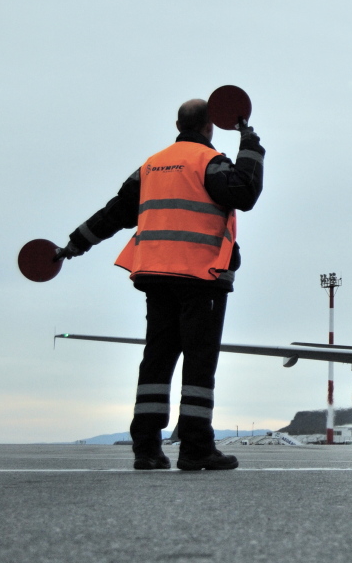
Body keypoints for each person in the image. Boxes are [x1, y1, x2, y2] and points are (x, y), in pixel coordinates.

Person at [56, 98, 264, 471]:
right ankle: (196, 447)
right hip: (201, 276)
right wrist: (250, 143)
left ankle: (147, 449)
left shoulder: (151, 166)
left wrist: (75, 244)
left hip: (155, 276)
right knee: (198, 364)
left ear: (177, 124)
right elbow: (245, 193)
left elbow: (115, 212)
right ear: (209, 127)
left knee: (157, 359)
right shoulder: (208, 162)